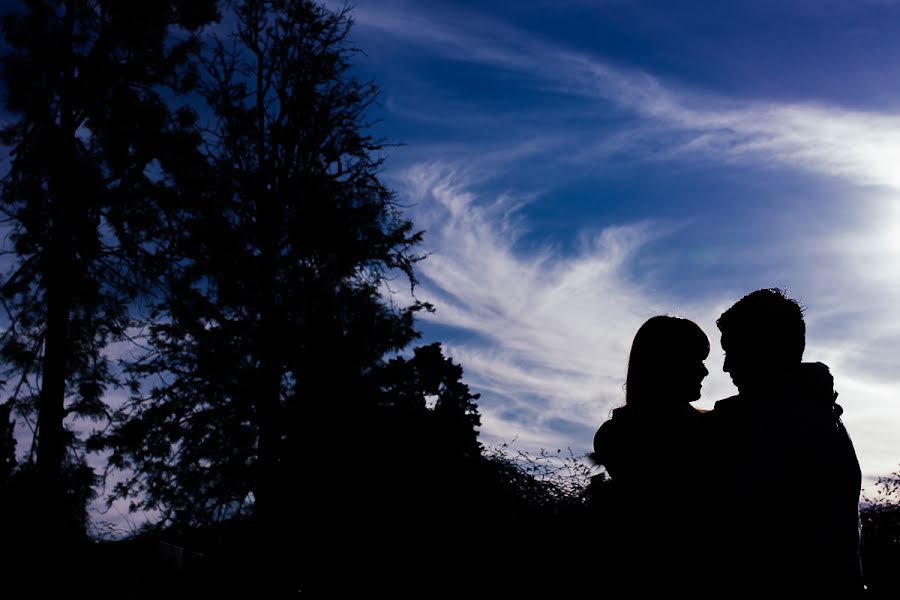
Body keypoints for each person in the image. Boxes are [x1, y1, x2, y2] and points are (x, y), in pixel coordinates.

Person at [710, 288, 863, 597]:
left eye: (732, 351)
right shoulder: (818, 412)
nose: (726, 367)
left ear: (762, 350)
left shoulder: (757, 426)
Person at [591, 315, 715, 595]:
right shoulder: (620, 437)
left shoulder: (715, 424)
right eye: (695, 360)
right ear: (665, 364)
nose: (704, 372)